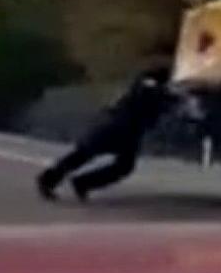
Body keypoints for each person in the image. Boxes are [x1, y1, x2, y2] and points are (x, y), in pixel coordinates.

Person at [36, 65, 174, 201]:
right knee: (84, 155)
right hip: (115, 127)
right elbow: (150, 89)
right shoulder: (148, 84)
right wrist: (167, 94)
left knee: (117, 165)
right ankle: (51, 180)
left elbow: (161, 100)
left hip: (126, 131)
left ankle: (79, 182)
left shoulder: (154, 88)